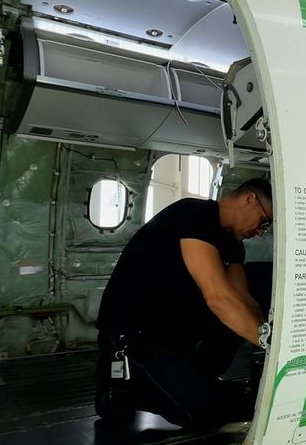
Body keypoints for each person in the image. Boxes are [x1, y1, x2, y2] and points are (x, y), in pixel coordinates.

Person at [95, 178, 273, 431]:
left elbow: (243, 299)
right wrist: (270, 343)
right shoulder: (194, 214)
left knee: (252, 293)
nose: (261, 231)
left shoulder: (233, 245)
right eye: (264, 221)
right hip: (136, 338)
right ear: (249, 200)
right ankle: (126, 387)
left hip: (174, 338)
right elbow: (218, 297)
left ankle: (193, 379)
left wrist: (272, 336)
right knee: (211, 415)